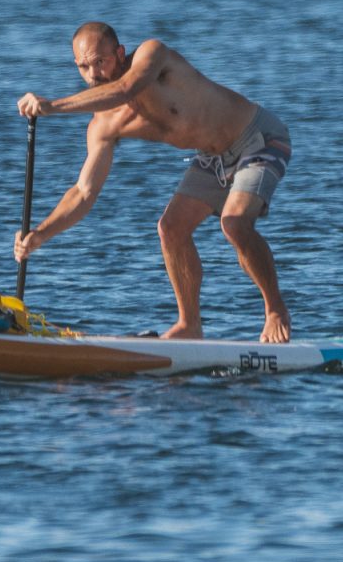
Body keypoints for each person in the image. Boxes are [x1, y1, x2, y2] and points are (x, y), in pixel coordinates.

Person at [15, 22, 293, 344]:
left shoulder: (153, 55)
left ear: (120, 53)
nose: (93, 74)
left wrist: (53, 106)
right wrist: (40, 234)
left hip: (258, 139)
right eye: (83, 67)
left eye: (100, 62)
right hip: (212, 157)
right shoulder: (103, 126)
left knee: (234, 223)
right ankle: (189, 325)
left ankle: (275, 310)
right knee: (170, 229)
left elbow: (125, 89)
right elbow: (83, 193)